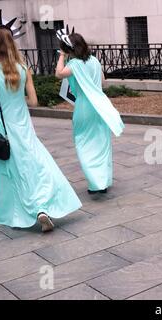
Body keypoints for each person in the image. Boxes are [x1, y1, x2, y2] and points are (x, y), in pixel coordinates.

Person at [0, 11, 82, 232]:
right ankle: (43, 206)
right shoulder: (23, 69)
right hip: (23, 130)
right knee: (38, 167)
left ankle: (28, 211)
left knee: (11, 174)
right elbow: (33, 101)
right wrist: (15, 98)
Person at [55, 27, 125, 195]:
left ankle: (95, 183)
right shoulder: (94, 60)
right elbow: (102, 80)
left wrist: (62, 56)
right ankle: (104, 181)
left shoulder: (74, 64)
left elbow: (58, 74)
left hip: (84, 107)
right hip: (100, 106)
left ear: (69, 49)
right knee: (102, 143)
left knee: (84, 143)